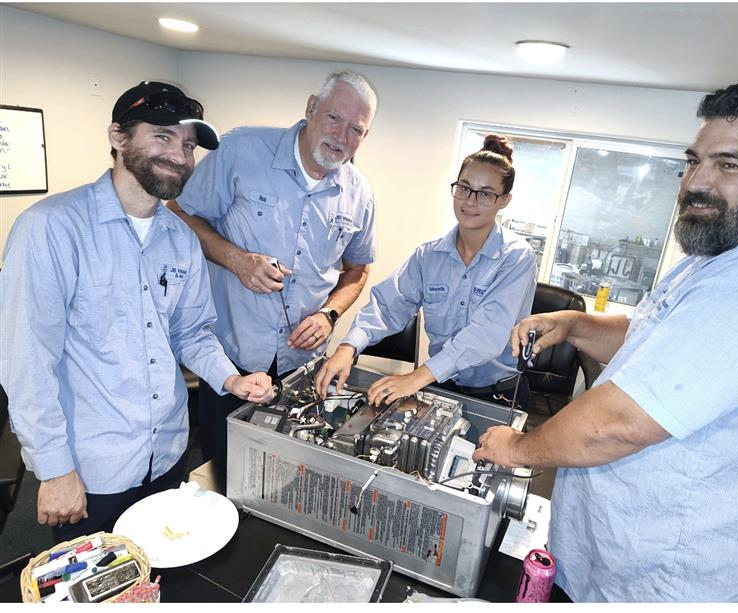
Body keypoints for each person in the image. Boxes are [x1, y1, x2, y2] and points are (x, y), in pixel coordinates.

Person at [474, 81, 738, 602]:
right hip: (624, 561)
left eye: (730, 165)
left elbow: (617, 424)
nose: (697, 182)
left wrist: (518, 447)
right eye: (694, 161)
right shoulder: (720, 256)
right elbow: (655, 339)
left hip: (677, 578)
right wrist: (578, 326)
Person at [0, 81, 275, 542]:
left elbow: (191, 332)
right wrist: (54, 470)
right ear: (118, 137)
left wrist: (230, 378)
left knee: (158, 586)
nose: (180, 156)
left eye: (188, 145)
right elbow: (27, 363)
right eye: (162, 137)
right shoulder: (50, 228)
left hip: (168, 454)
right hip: (91, 472)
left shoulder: (182, 238)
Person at [168, 70, 378, 463]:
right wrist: (236, 260)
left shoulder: (360, 193)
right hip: (231, 357)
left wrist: (330, 315)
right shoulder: (240, 150)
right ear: (312, 107)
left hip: (303, 368)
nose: (342, 136)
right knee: (222, 469)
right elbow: (179, 213)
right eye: (334, 118)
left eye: (356, 129)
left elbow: (358, 271)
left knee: (289, 476)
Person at [315, 135, 537, 409]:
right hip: (442, 386)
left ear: (504, 200)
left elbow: (487, 334)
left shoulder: (516, 257)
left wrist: (417, 377)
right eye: (465, 188)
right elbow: (388, 307)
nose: (470, 201)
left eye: (486, 194)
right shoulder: (428, 256)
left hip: (497, 395)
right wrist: (348, 347)